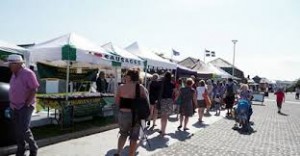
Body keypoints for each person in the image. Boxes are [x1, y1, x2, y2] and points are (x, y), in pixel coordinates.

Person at [6, 54, 39, 156]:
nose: (9, 66)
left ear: (17, 64)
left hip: (25, 106)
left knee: (24, 129)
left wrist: (27, 104)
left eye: (10, 64)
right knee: (17, 130)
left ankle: (33, 147)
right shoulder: (13, 74)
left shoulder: (28, 73)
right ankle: (21, 149)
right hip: (14, 106)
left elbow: (34, 89)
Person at [115, 69, 149, 156]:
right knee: (134, 138)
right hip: (136, 116)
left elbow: (117, 102)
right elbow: (146, 103)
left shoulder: (121, 87)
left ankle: (118, 153)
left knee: (123, 134)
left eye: (126, 75)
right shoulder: (141, 88)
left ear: (129, 77)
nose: (125, 77)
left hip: (123, 115)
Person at [158, 72, 175, 136]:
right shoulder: (172, 84)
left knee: (162, 116)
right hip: (169, 100)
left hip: (163, 100)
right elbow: (175, 92)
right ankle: (163, 131)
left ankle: (162, 129)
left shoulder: (162, 83)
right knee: (165, 117)